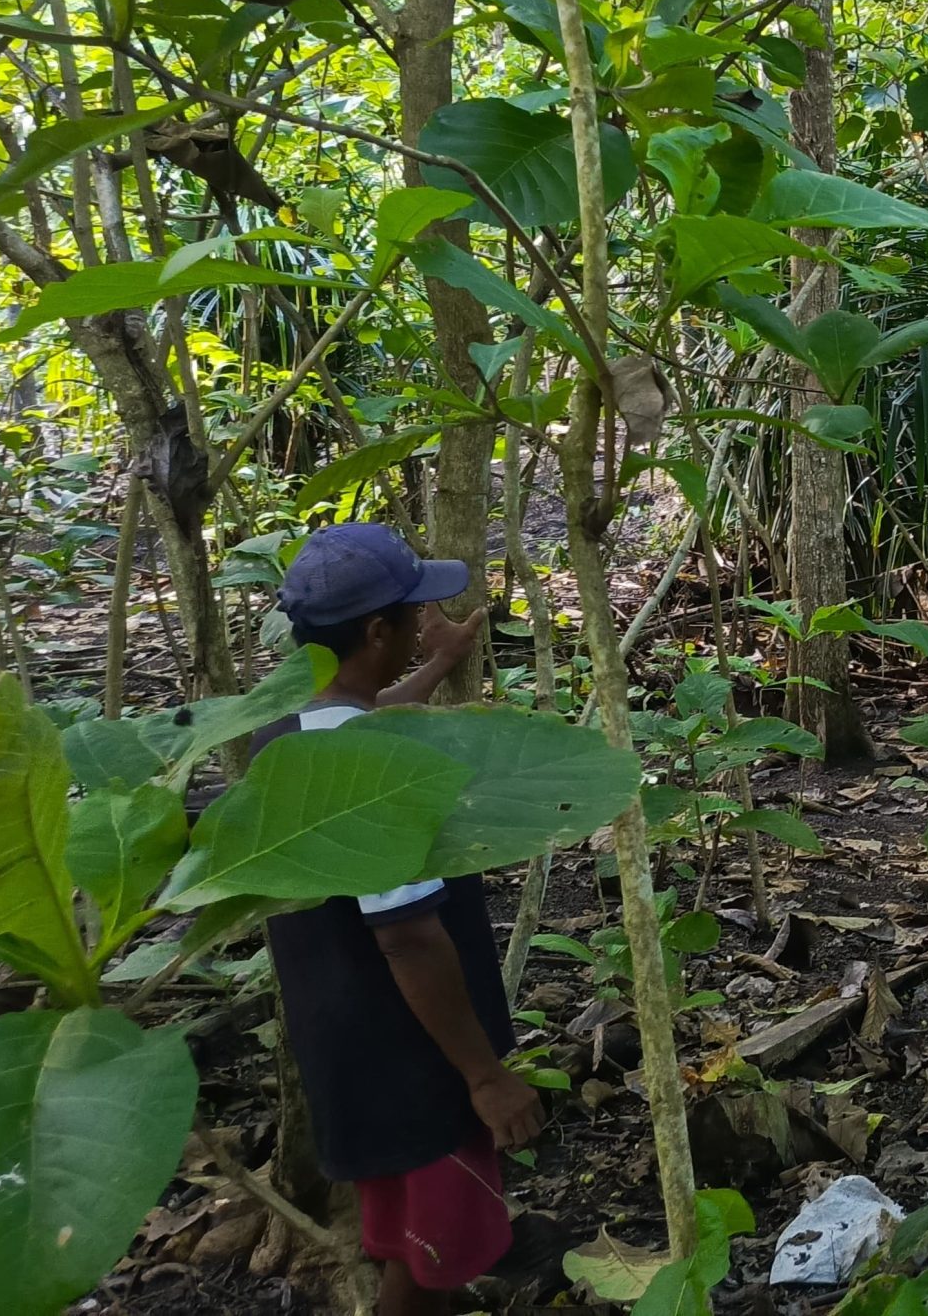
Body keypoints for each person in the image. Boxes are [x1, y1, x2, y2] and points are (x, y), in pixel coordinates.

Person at [252, 523, 540, 1316]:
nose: (420, 624)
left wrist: (441, 665)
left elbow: (364, 712)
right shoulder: (372, 776)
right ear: (377, 631)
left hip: (351, 1054)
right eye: (410, 615)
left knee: (408, 1235)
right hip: (419, 1060)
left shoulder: (290, 729)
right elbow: (409, 936)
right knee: (431, 1254)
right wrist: (486, 1077)